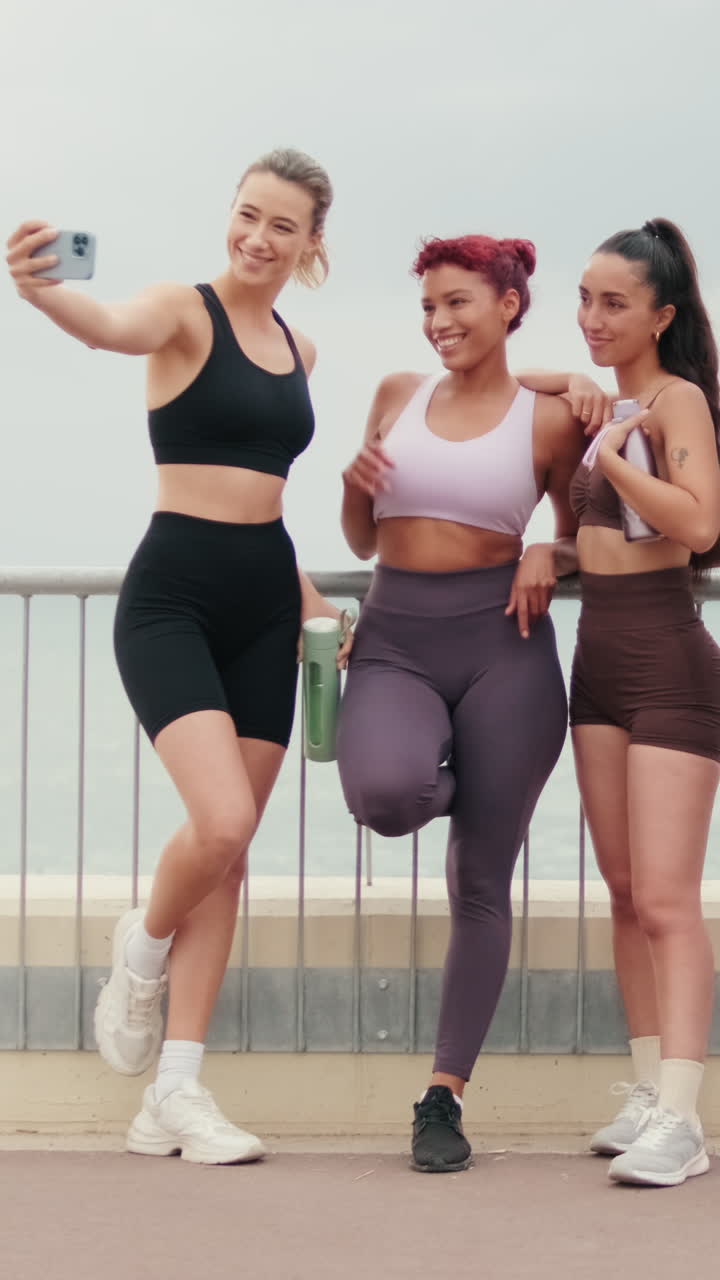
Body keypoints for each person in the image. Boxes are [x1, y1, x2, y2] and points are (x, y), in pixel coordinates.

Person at [6, 147, 350, 1165]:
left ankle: (177, 1091)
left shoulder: (302, 349)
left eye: (282, 225)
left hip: (262, 606)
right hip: (171, 601)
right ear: (230, 216)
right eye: (248, 215)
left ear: (310, 243)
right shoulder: (182, 311)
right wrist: (42, 292)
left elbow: (270, 503)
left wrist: (309, 602)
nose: (258, 236)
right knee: (224, 818)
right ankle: (142, 946)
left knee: (232, 855)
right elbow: (108, 328)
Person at [337, 233, 589, 1173]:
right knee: (388, 797)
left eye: (458, 304)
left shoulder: (553, 420)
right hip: (397, 635)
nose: (440, 323)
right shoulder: (398, 395)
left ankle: (443, 1097)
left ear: (508, 305)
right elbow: (363, 540)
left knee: (479, 882)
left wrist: (547, 550)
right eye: (430, 307)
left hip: (506, 650)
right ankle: (453, 774)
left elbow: (581, 536)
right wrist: (352, 490)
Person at [521, 218, 720, 1187]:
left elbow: (700, 520)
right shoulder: (597, 396)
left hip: (670, 666)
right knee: (627, 889)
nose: (593, 319)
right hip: (594, 664)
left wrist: (617, 449)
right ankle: (649, 1090)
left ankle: (685, 1119)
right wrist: (569, 389)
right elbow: (504, 383)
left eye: (615, 302)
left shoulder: (677, 402)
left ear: (661, 314)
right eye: (585, 300)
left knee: (673, 899)